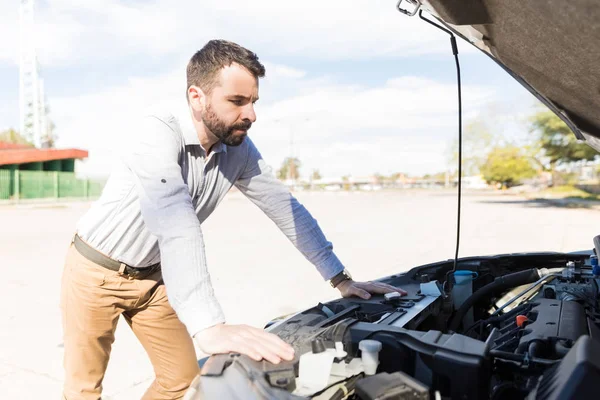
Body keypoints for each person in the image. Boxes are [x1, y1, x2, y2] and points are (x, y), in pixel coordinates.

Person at [60, 39, 406, 400]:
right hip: (94, 273)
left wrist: (340, 279)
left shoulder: (239, 150)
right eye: (237, 102)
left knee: (180, 382)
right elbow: (175, 219)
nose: (251, 114)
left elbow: (287, 209)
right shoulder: (156, 132)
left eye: (253, 102)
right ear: (197, 97)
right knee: (84, 390)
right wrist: (208, 324)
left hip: (155, 280)